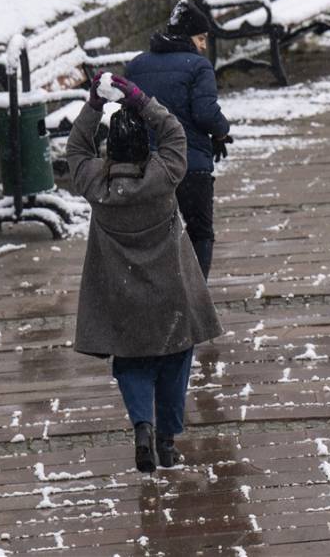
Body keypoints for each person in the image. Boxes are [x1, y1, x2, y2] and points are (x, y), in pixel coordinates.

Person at [66, 73, 222, 473]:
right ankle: (168, 443)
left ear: (110, 151)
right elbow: (173, 132)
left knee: (132, 362)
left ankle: (142, 427)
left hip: (121, 294)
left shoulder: (96, 185)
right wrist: (140, 99)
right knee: (175, 358)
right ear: (144, 151)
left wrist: (94, 104)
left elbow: (76, 149)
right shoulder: (164, 176)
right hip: (170, 290)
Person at [125, 0, 231, 279]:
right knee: (200, 232)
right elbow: (206, 113)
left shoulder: (136, 66)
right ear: (188, 38)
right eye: (201, 38)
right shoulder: (198, 66)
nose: (204, 45)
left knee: (154, 236)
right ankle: (196, 297)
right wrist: (222, 131)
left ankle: (157, 293)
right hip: (189, 164)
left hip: (147, 167)